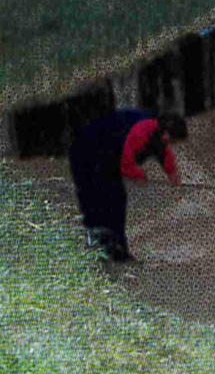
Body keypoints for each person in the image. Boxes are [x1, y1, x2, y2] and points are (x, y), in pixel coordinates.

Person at [67, 109, 187, 266]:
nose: (172, 143)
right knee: (99, 204)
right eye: (174, 139)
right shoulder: (142, 131)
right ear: (167, 133)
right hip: (87, 154)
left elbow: (163, 152)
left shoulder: (155, 130)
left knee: (116, 201)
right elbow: (126, 164)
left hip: (104, 155)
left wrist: (172, 174)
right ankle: (98, 255)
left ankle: (117, 253)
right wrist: (139, 175)